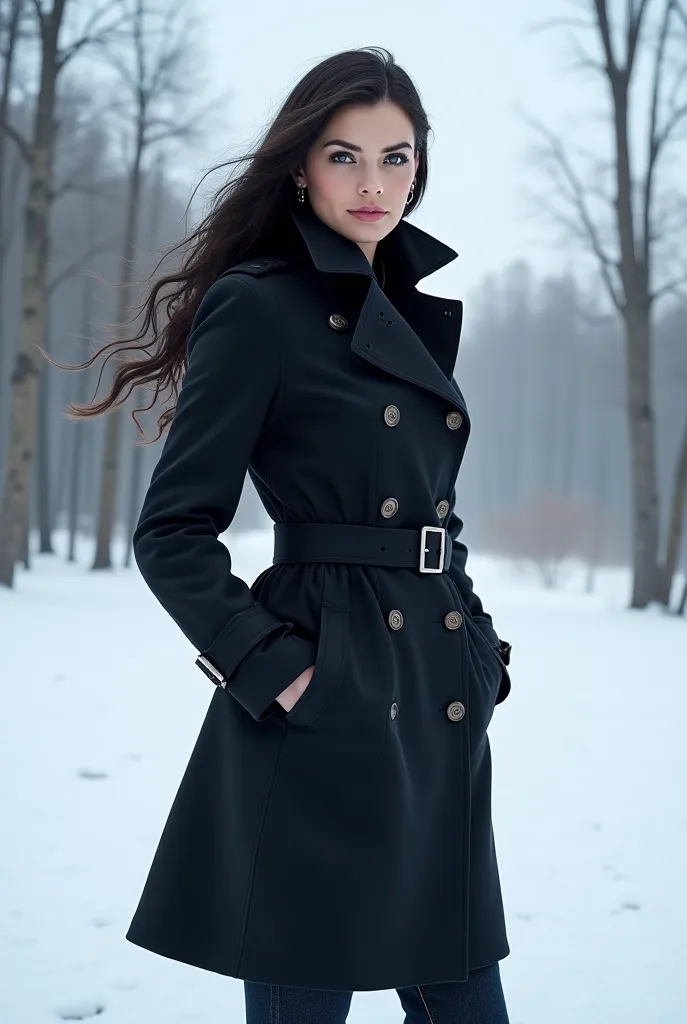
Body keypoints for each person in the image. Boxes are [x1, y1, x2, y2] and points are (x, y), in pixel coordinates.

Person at [61, 45, 514, 1024]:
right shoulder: (260, 305)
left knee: (468, 999)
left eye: (396, 158)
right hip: (327, 698)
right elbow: (172, 529)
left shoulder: (404, 305)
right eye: (343, 155)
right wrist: (281, 672)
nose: (372, 182)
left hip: (433, 701)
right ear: (301, 167)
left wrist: (481, 653)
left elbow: (430, 512)